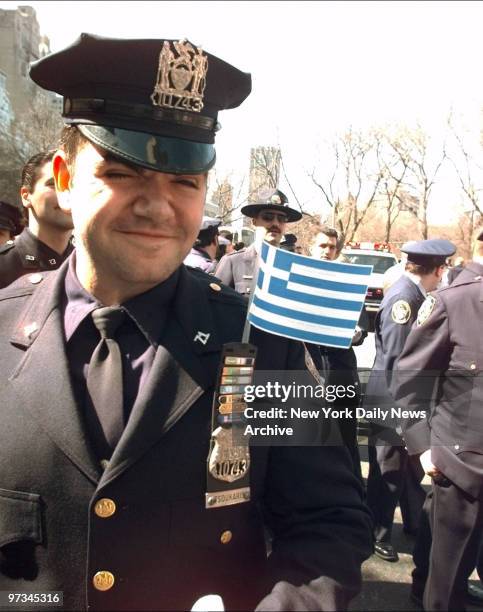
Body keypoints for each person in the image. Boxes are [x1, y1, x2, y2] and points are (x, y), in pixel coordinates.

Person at [0, 34, 372, 612]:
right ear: (65, 178)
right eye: (123, 173)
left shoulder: (263, 344)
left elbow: (330, 526)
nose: (157, 206)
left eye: (184, 182)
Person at [392, 227, 483, 611]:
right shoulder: (455, 303)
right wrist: (424, 448)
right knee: (444, 589)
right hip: (461, 470)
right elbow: (408, 384)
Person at [364, 238, 456, 563]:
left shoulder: (416, 295)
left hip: (402, 401)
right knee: (387, 471)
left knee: (407, 469)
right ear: (439, 269)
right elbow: (397, 363)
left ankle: (414, 523)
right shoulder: (404, 299)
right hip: (391, 401)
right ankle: (376, 533)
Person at [307, 225, 369, 480]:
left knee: (345, 438)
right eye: (322, 246)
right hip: (307, 371)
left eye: (332, 247)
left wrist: (357, 333)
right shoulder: (301, 280)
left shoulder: (348, 282)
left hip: (340, 371)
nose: (327, 251)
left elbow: (363, 325)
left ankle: (351, 490)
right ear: (312, 247)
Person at [0, 150, 74, 289]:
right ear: (26, 196)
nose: (67, 192)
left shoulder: (93, 266)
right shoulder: (4, 265)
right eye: (54, 184)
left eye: (73, 184)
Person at [215, 189, 301, 295]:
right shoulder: (232, 262)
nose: (275, 223)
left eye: (281, 219)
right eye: (268, 217)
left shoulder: (292, 266)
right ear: (254, 222)